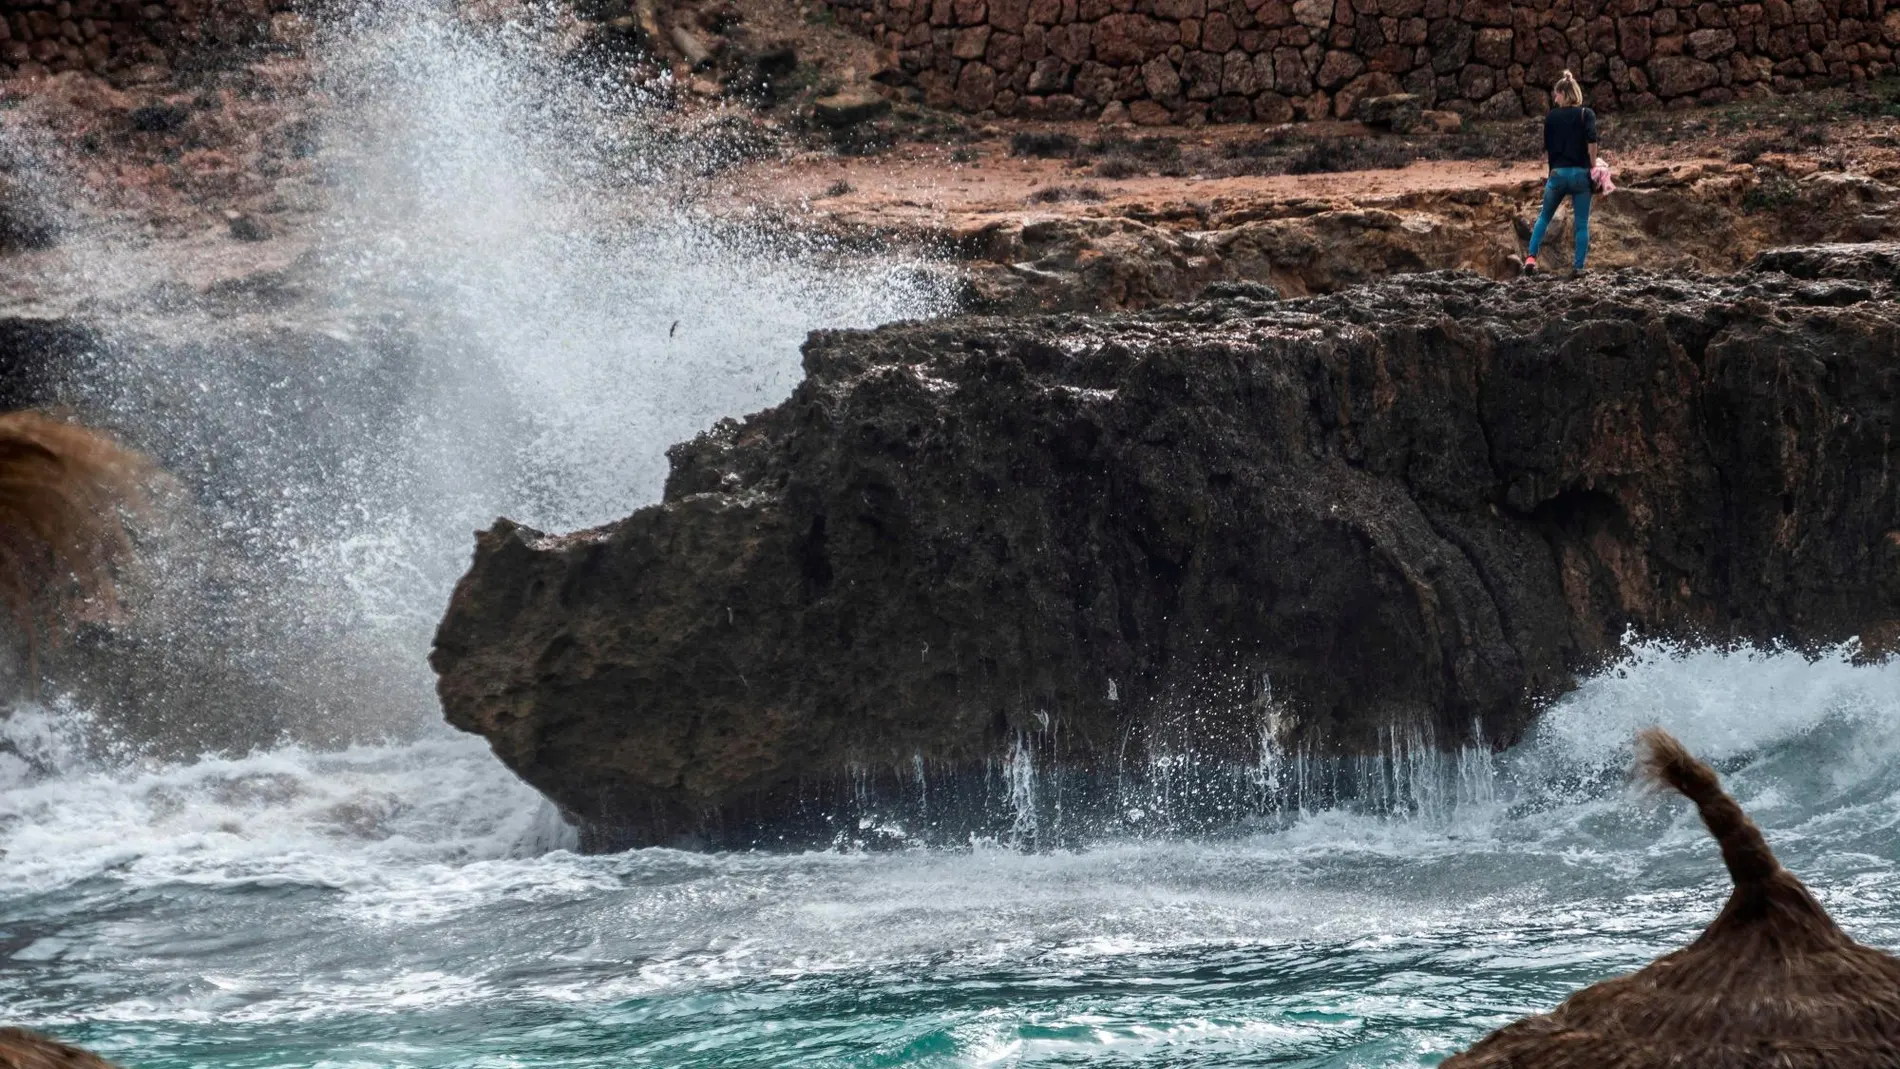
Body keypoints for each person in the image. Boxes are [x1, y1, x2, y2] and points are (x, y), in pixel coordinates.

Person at [1523, 71, 1598, 275]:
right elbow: (1592, 142)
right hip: (1581, 175)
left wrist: (1552, 172)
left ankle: (1530, 258)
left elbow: (1549, 148)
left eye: (1556, 94)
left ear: (1565, 94)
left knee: (1544, 217)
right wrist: (1593, 167)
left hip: (1557, 174)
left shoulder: (1551, 118)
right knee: (1581, 223)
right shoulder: (1586, 114)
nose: (1554, 98)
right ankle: (1578, 267)